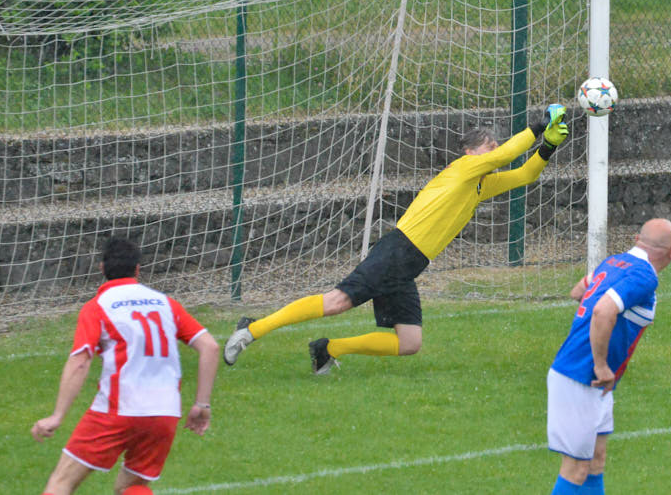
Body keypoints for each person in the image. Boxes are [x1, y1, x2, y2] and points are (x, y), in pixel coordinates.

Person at [224, 104, 571, 374]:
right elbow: (507, 155)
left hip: (409, 263)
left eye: (495, 145)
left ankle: (327, 350)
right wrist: (539, 125)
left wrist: (549, 145)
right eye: (489, 146)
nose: (495, 150)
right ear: (469, 153)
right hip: (398, 250)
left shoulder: (481, 183)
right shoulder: (463, 168)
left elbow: (524, 174)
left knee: (409, 342)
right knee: (336, 302)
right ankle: (252, 329)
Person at [31, 237, 220, 495]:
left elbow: (79, 363)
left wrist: (57, 416)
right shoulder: (165, 304)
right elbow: (210, 347)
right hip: (164, 412)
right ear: (137, 269)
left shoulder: (98, 307)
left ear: (101, 268)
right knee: (131, 488)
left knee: (61, 482)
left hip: (118, 410)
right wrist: (202, 404)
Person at [547, 218, 671, 495]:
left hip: (592, 381)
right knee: (576, 469)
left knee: (596, 461)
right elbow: (602, 310)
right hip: (581, 376)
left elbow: (579, 291)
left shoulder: (613, 262)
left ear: (637, 239)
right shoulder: (645, 277)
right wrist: (601, 365)